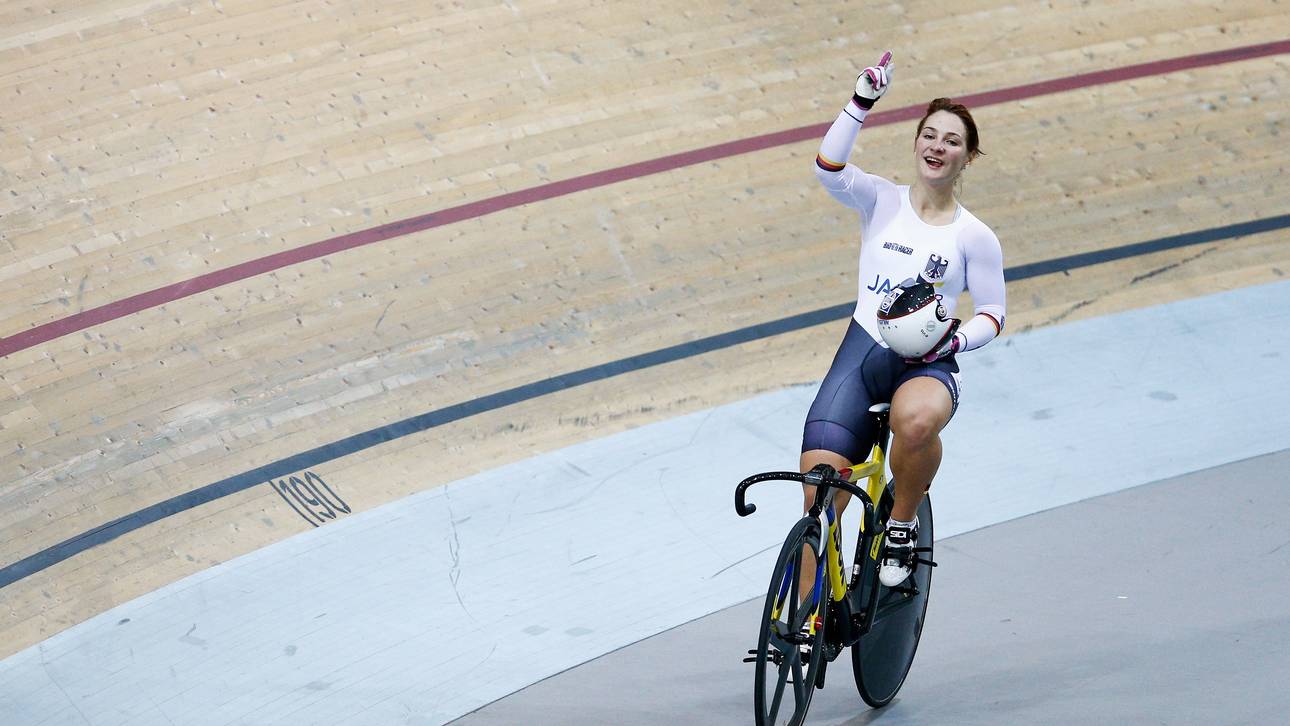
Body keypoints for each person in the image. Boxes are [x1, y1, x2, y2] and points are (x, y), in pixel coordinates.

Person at [801, 51, 1007, 587]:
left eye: (953, 141)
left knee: (913, 424)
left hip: (926, 363)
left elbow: (993, 313)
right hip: (863, 352)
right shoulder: (880, 200)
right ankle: (801, 629)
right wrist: (859, 103)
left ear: (968, 157)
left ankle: (901, 522)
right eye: (930, 135)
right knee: (818, 497)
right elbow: (827, 166)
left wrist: (954, 343)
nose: (938, 146)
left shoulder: (973, 236)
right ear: (916, 143)